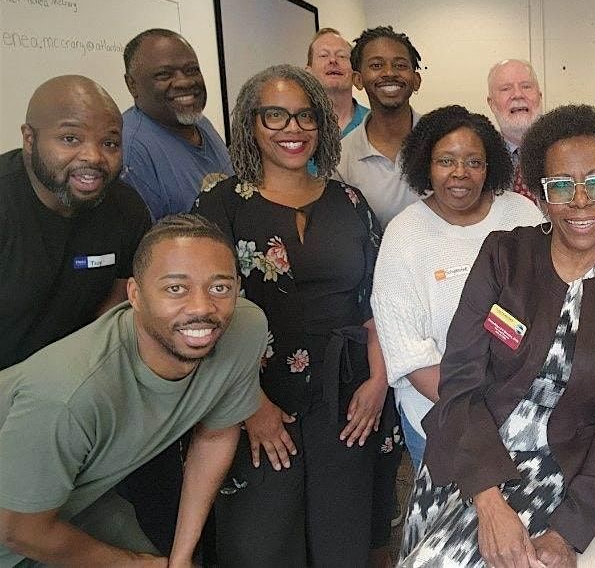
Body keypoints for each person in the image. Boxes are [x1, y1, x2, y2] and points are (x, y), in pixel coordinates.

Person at [399, 104, 595, 567]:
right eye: (561, 185)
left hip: (555, 465)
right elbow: (460, 378)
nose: (580, 200)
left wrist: (568, 532)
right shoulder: (504, 256)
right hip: (470, 446)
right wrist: (488, 503)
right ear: (542, 198)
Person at [192, 65, 385, 567]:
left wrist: (378, 381)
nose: (292, 129)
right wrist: (249, 403)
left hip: (347, 395)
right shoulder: (220, 204)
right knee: (263, 541)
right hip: (256, 394)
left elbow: (378, 302)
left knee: (341, 539)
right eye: (275, 115)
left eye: (305, 116)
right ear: (250, 124)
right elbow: (202, 317)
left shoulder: (350, 202)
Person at [0, 214, 268, 568]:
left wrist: (181, 558)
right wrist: (136, 564)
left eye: (220, 287)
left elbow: (216, 435)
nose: (203, 308)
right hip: (16, 525)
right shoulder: (68, 395)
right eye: (176, 288)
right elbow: (19, 531)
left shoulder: (245, 329)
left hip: (75, 501)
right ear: (135, 296)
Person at [372, 105, 544, 468]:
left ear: (490, 165)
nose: (460, 173)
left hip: (526, 412)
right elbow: (408, 352)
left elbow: (549, 306)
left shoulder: (523, 215)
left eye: (474, 162)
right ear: (426, 164)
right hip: (439, 416)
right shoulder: (404, 234)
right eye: (446, 161)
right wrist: (478, 414)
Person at [1, 75, 150, 369]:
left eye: (109, 143)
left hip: (77, 375)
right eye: (70, 139)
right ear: (29, 139)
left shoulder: (126, 208)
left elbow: (114, 316)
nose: (93, 157)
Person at [121, 28, 233, 221]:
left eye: (192, 70)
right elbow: (148, 238)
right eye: (164, 74)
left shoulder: (199, 121)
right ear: (132, 85)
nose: (184, 82)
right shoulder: (131, 151)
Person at [335, 25, 423, 228]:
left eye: (400, 65)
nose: (389, 73)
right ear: (358, 80)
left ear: (416, 80)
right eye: (376, 65)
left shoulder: (442, 140)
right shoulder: (341, 158)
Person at [486, 58, 543, 202]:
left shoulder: (565, 149)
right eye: (506, 89)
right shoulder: (481, 157)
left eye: (526, 86)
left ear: (540, 96)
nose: (518, 95)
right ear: (491, 103)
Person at [306, 27, 369, 137]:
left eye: (341, 56)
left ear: (356, 72)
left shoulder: (374, 123)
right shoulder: (298, 125)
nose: (333, 60)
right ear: (308, 73)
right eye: (324, 55)